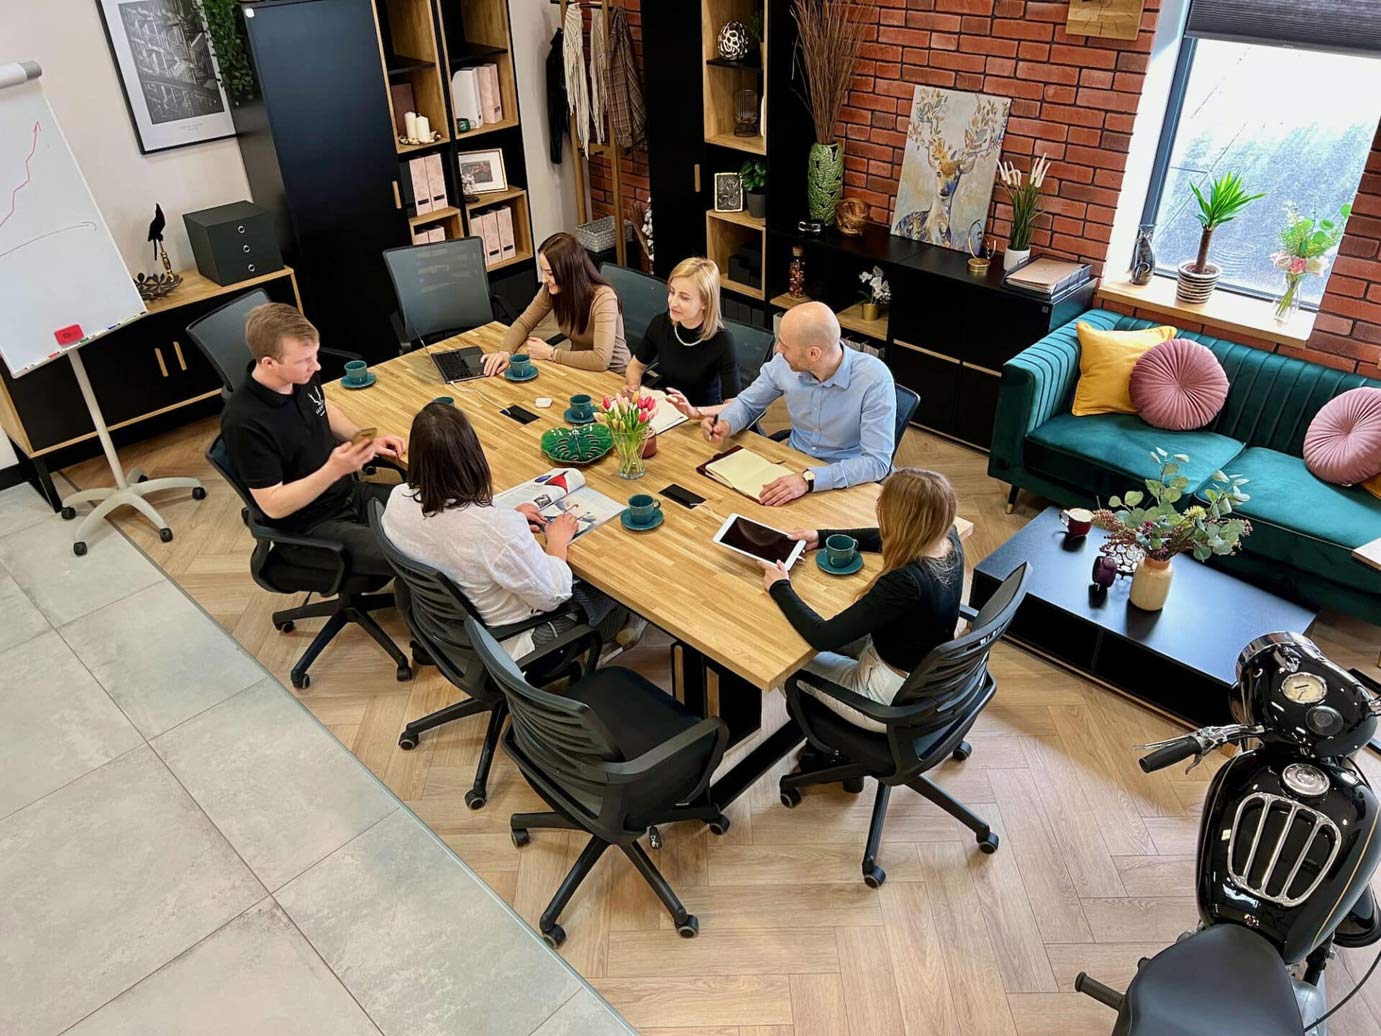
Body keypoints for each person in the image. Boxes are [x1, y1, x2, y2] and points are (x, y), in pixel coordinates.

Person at [381, 402, 627, 659]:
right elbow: (554, 595)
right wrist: (557, 542)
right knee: (608, 580)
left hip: (448, 626)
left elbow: (453, 533)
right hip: (513, 640)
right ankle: (610, 640)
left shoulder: (397, 499)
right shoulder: (492, 531)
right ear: (473, 457)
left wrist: (509, 517)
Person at [758, 468, 964, 732]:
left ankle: (819, 735)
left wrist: (780, 586)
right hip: (921, 671)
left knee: (784, 663)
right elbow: (891, 535)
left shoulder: (905, 581)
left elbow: (824, 637)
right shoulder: (948, 539)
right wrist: (823, 537)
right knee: (810, 627)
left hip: (887, 698)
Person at [221, 303, 406, 578]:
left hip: (349, 494)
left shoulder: (301, 377)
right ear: (269, 363)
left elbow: (322, 406)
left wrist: (363, 439)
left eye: (315, 355)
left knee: (433, 512)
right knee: (414, 557)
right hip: (310, 526)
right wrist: (335, 469)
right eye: (304, 360)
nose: (316, 366)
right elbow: (273, 505)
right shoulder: (244, 422)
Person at [702, 301, 896, 506]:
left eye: (784, 345)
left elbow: (877, 462)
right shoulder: (783, 364)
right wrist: (726, 423)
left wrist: (809, 479)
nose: (778, 349)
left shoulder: (874, 379)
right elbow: (747, 404)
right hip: (792, 466)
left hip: (846, 479)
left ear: (813, 354)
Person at [483, 232, 630, 376]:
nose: (544, 279)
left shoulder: (604, 298)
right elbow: (524, 323)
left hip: (614, 376)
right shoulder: (552, 289)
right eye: (543, 271)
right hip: (578, 371)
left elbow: (600, 360)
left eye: (550, 273)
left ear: (570, 272)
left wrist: (551, 353)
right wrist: (505, 353)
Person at [622, 257, 739, 409]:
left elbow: (733, 406)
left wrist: (695, 413)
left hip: (702, 416)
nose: (673, 302)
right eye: (672, 292)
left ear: (705, 302)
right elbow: (636, 367)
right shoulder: (661, 324)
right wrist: (633, 388)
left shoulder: (723, 341)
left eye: (684, 297)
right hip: (668, 409)